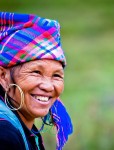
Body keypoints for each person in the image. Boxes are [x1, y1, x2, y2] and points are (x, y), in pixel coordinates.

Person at [0, 12, 73, 150]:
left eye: (56, 75)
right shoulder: (4, 134)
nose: (48, 86)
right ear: (2, 76)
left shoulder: (18, 124)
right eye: (36, 72)